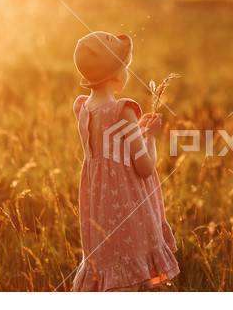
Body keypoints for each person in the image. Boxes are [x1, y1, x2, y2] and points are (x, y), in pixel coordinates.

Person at [71, 31, 179, 292]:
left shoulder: (83, 108)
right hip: (126, 209)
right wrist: (150, 137)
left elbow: (110, 147)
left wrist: (136, 132)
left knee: (109, 274)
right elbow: (144, 167)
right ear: (116, 74)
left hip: (98, 210)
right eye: (125, 67)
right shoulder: (125, 111)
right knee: (128, 280)